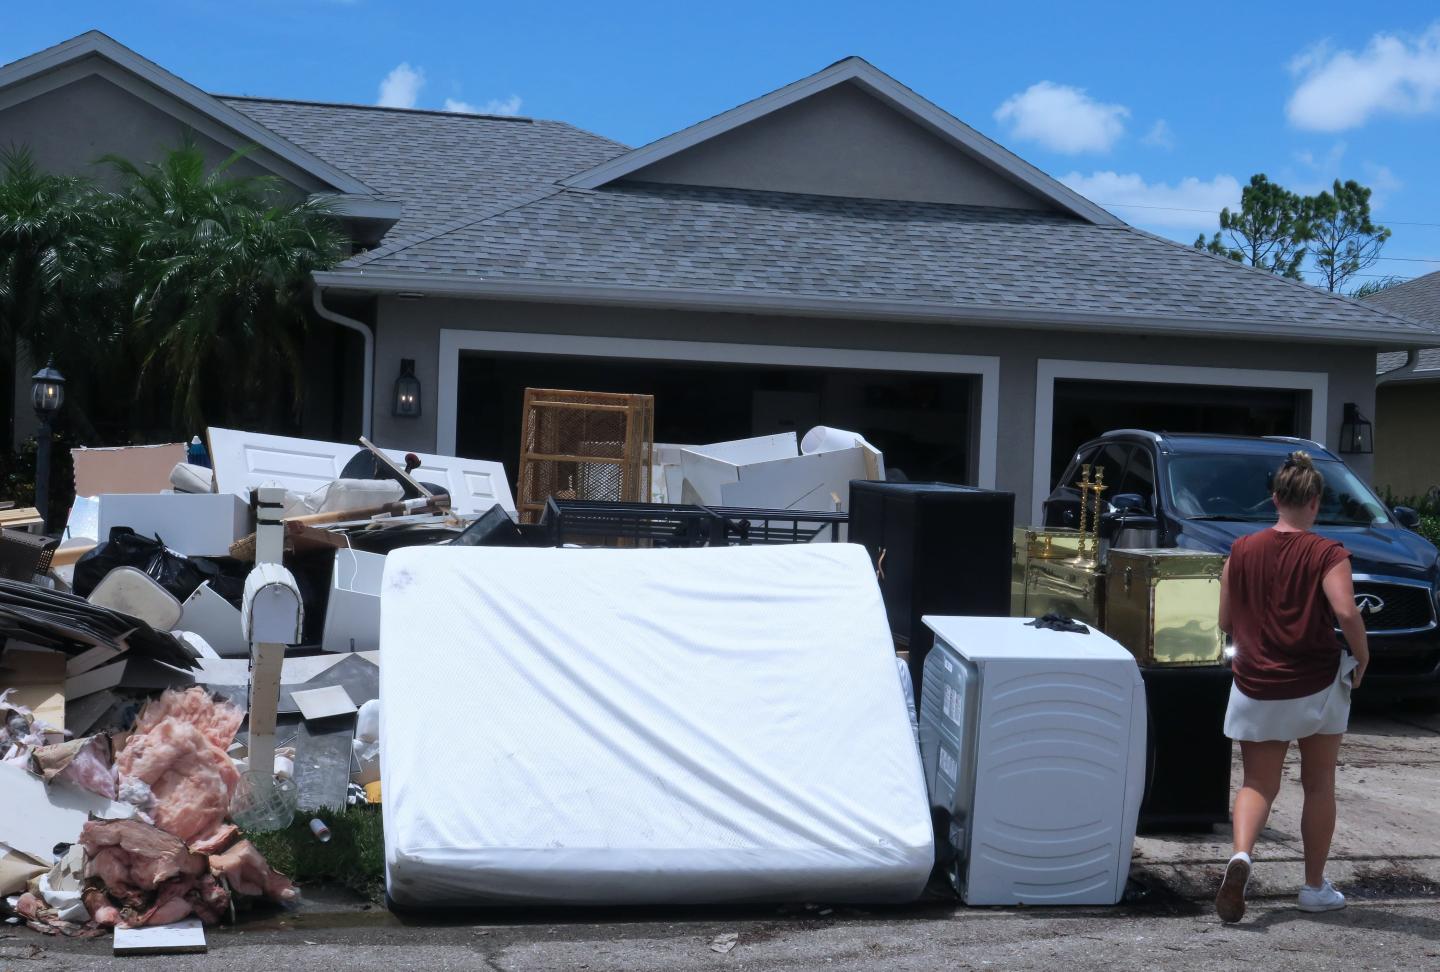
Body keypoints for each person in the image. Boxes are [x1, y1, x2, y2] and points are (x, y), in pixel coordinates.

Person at [1213, 451, 1370, 924]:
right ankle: (1314, 887)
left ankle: (1241, 857)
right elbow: (1346, 612)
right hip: (1316, 683)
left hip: (1255, 682)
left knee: (1257, 782)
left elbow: (1224, 620)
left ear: (1275, 499)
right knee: (1319, 784)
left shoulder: (1241, 550)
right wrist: (1362, 656)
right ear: (1316, 502)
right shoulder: (1328, 553)